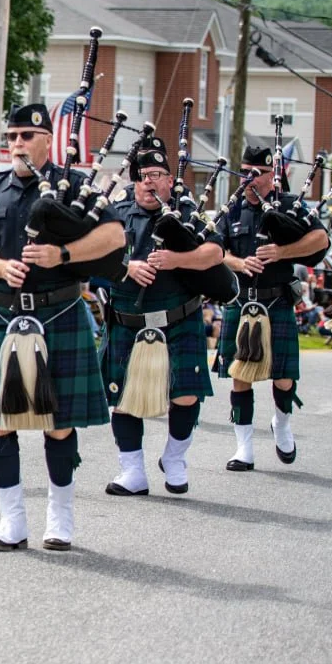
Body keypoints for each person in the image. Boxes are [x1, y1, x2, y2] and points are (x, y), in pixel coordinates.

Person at [0, 103, 124, 552]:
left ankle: (60, 518)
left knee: (60, 424)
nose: (16, 144)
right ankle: (11, 521)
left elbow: (114, 237)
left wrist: (62, 256)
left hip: (59, 313)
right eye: (11, 136)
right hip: (4, 316)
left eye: (26, 136)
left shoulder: (75, 188)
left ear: (48, 139)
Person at [101, 135, 222, 498]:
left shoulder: (187, 212)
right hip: (127, 321)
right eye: (142, 175)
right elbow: (90, 259)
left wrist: (177, 260)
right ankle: (132, 472)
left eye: (156, 174)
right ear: (133, 180)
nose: (149, 181)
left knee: (184, 395)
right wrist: (126, 268)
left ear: (171, 179)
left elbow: (215, 253)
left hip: (178, 320)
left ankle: (174, 458)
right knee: (123, 397)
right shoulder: (116, 212)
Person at [214, 145, 330, 471]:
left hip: (276, 300)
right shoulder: (232, 208)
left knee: (283, 379)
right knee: (240, 377)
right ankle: (243, 448)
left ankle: (281, 423)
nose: (250, 180)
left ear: (271, 175)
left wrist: (283, 252)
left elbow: (321, 240)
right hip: (242, 301)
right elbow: (215, 249)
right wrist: (238, 262)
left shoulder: (289, 206)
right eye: (245, 172)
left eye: (257, 174)